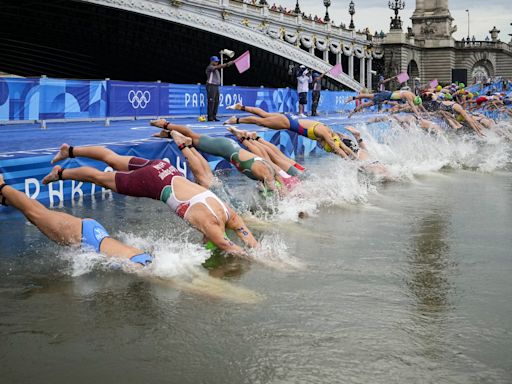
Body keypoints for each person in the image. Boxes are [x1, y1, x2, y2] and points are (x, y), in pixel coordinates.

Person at [42, 144, 258, 255]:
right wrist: (266, 262)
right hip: (154, 183)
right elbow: (229, 246)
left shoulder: (229, 213)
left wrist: (257, 251)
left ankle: (69, 150)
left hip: (165, 169)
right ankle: (60, 173)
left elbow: (248, 240)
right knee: (100, 178)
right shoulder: (212, 227)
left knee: (114, 159)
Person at [0, 174, 153, 267]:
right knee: (35, 213)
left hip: (93, 233)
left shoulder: (149, 259)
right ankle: (1, 186)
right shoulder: (145, 268)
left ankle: (4, 199)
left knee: (38, 215)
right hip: (85, 238)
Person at [150, 119, 286, 194]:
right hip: (225, 147)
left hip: (231, 148)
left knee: (206, 178)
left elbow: (279, 186)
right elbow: (275, 193)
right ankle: (165, 124)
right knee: (193, 136)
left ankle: (170, 135)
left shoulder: (272, 171)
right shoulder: (267, 175)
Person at [224, 103, 357, 159]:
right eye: (325, 147)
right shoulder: (325, 134)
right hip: (287, 123)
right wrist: (348, 162)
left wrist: (355, 159)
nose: (322, 147)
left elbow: (343, 147)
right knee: (260, 121)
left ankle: (240, 107)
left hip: (290, 119)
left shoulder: (333, 135)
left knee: (264, 115)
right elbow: (337, 148)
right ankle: (235, 120)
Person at [206, 56, 234, 122]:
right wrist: (227, 64)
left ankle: (214, 116)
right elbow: (218, 67)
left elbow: (218, 67)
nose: (217, 62)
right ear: (212, 61)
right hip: (211, 86)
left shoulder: (215, 68)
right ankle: (210, 117)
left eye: (217, 61)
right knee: (211, 102)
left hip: (216, 86)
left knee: (216, 101)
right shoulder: (210, 67)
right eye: (215, 61)